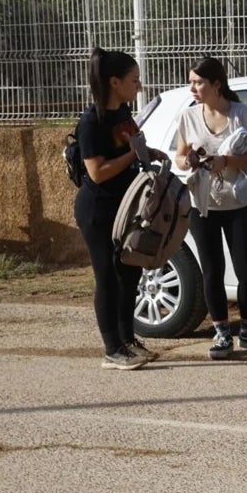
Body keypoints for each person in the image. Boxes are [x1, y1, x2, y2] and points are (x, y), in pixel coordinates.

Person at [175, 56, 247, 360]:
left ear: (216, 84)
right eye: (191, 81)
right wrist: (189, 160)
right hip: (202, 204)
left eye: (198, 82)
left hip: (236, 203)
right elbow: (179, 157)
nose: (192, 87)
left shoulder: (245, 116)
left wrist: (227, 162)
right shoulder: (189, 117)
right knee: (212, 270)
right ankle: (222, 332)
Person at [75, 47, 166, 370]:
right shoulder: (91, 122)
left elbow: (134, 142)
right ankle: (112, 349)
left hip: (126, 207)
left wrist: (149, 152)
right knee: (108, 277)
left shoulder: (123, 112)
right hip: (97, 210)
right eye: (134, 80)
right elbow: (97, 172)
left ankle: (128, 340)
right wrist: (133, 154)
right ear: (114, 82)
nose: (139, 86)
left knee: (130, 272)